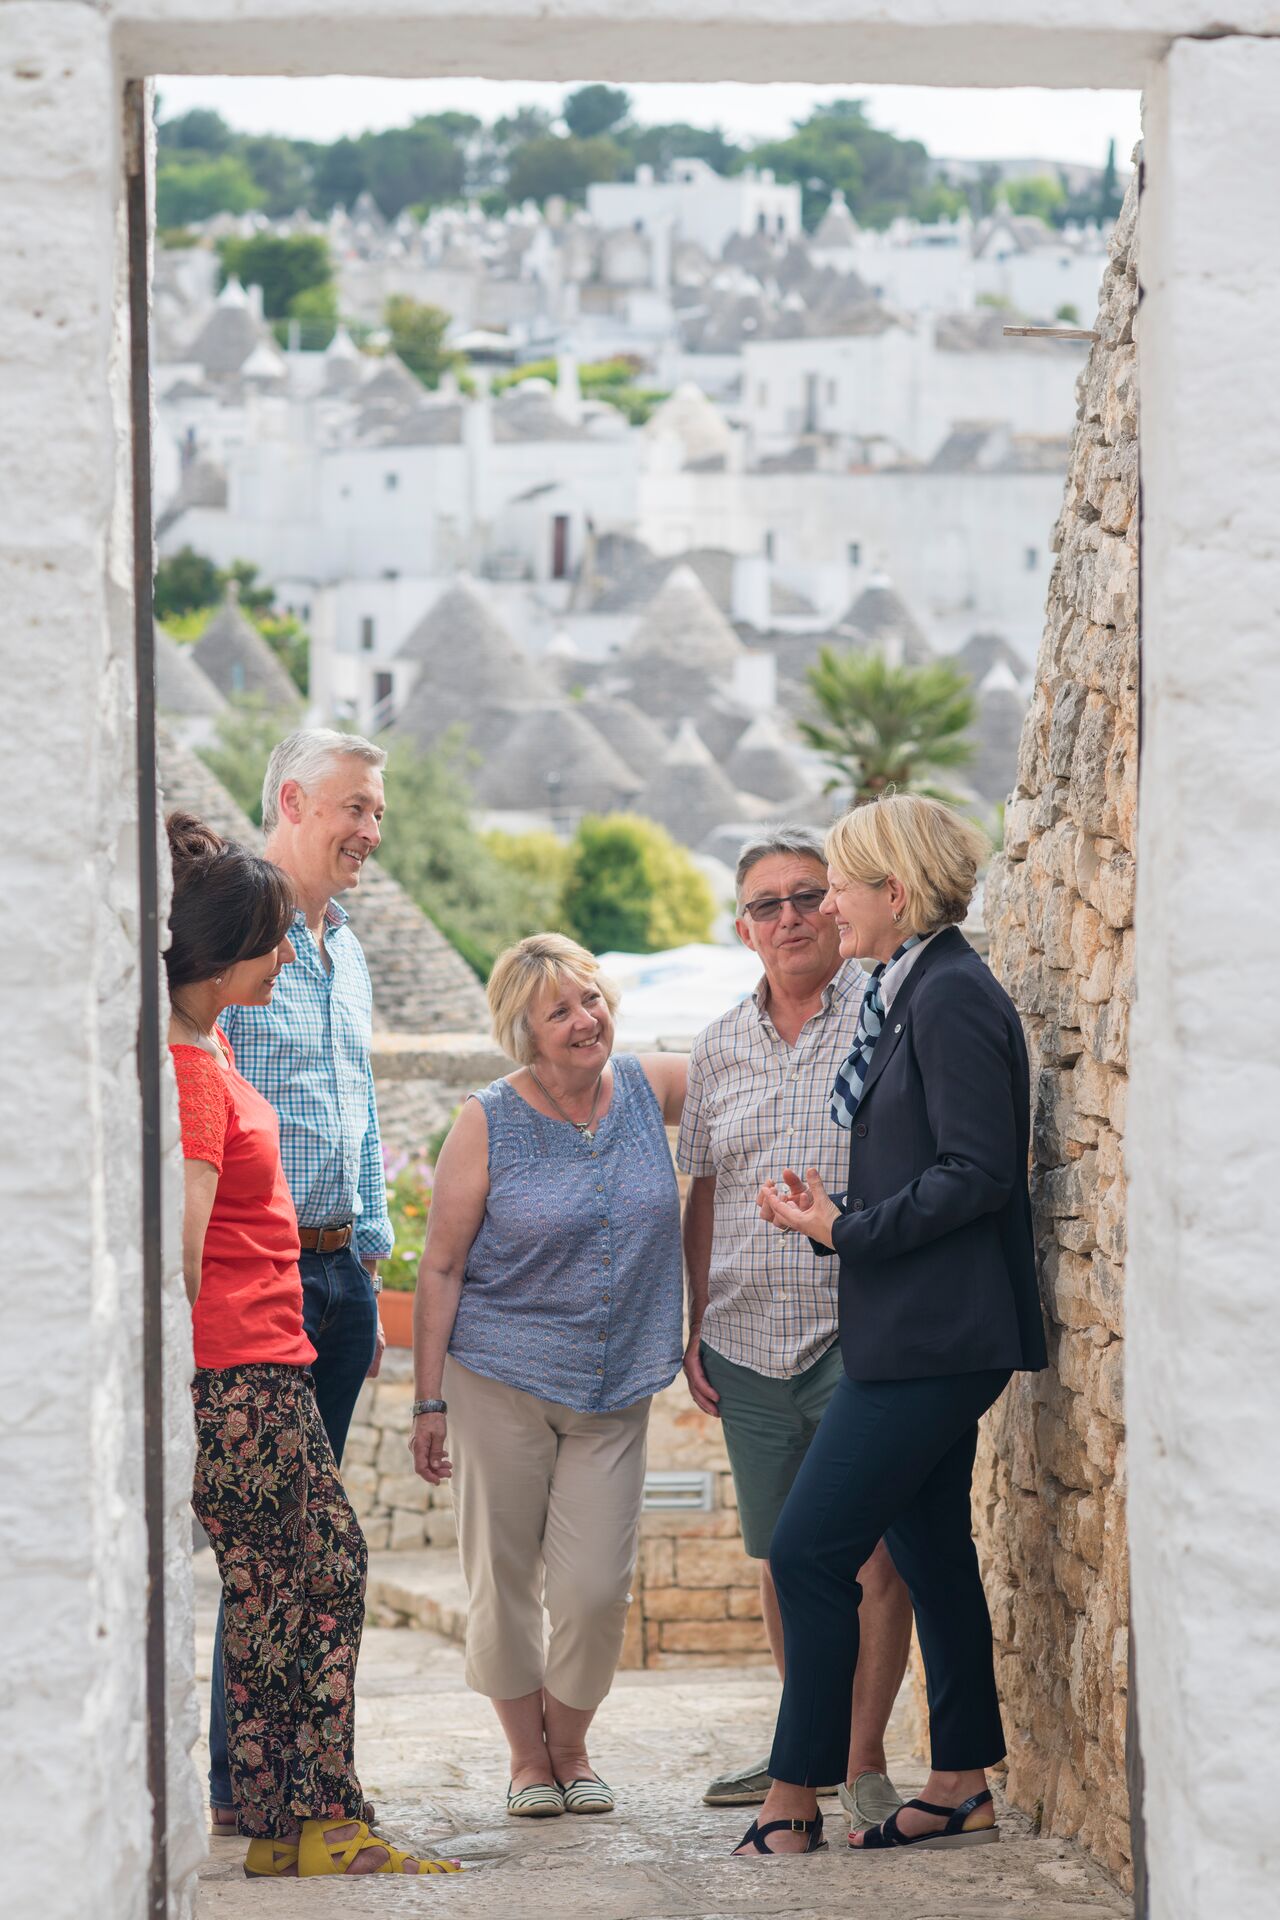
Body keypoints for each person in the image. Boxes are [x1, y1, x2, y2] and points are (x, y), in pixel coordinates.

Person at [733, 793, 1048, 1859]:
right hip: (914, 1332)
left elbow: (976, 1172)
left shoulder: (950, 994)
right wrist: (826, 1219)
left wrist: (846, 1228)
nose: (824, 906)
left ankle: (794, 1796)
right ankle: (960, 1781)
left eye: (835, 887)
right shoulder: (912, 989)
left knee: (807, 1551)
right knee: (933, 1552)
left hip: (932, 1341)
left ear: (891, 893)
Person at [166, 813, 457, 1878]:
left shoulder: (202, 1048)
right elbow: (183, 1257)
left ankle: (288, 1828)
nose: (288, 958)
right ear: (218, 956)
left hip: (260, 1360)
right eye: (271, 943)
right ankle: (319, 1818)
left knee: (280, 1586)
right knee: (323, 1571)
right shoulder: (193, 1074)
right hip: (241, 1373)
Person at [409, 933, 686, 1819]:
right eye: (558, 1010)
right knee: (503, 1578)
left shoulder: (649, 1088)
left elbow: (754, 1067)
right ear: (523, 1031)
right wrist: (428, 1400)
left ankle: (573, 1745)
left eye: (592, 999)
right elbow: (442, 1266)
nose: (584, 1021)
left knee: (596, 1590)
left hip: (616, 1386)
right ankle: (530, 1760)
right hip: (500, 1378)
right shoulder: (488, 1118)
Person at [678, 829, 913, 1832]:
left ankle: (860, 1764)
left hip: (858, 1331)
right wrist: (693, 1324)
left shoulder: (883, 1014)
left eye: (804, 896)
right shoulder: (717, 1044)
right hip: (745, 1341)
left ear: (835, 905)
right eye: (765, 905)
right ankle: (803, 1750)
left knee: (874, 1561)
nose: (788, 918)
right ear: (743, 929)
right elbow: (705, 1191)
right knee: (782, 1558)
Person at [207, 728, 393, 1831]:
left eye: (376, 813)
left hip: (340, 1278)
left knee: (304, 1544)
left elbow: (357, 1104)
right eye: (354, 808)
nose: (369, 831)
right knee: (278, 1544)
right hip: (257, 1280)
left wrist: (367, 1243)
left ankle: (270, 1784)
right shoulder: (235, 932)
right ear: (291, 799)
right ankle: (254, 1788)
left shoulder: (349, 950)